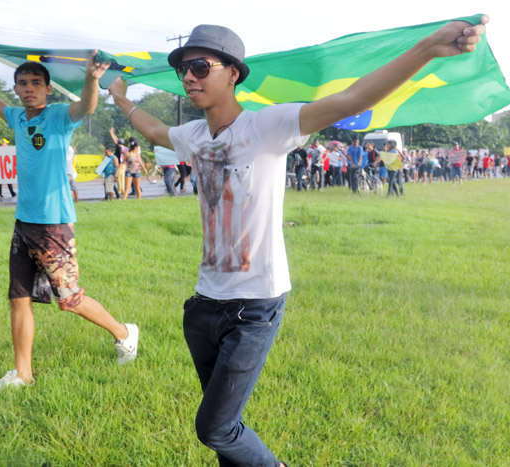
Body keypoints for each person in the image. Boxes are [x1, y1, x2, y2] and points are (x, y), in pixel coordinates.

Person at [108, 18, 486, 466]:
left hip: (253, 308)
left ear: (233, 73)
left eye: (201, 66)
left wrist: (425, 50)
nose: (189, 76)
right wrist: (118, 98)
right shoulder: (193, 136)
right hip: (203, 307)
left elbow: (352, 99)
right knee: (226, 431)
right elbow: (154, 131)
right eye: (183, 69)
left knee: (214, 427)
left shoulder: (268, 127)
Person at [0, 42, 139, 395]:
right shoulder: (17, 117)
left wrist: (91, 80)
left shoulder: (57, 117)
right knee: (18, 297)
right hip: (24, 222)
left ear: (47, 88)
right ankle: (22, 374)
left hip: (54, 223)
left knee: (70, 299)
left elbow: (86, 106)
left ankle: (125, 333)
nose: (29, 88)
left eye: (36, 82)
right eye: (22, 83)